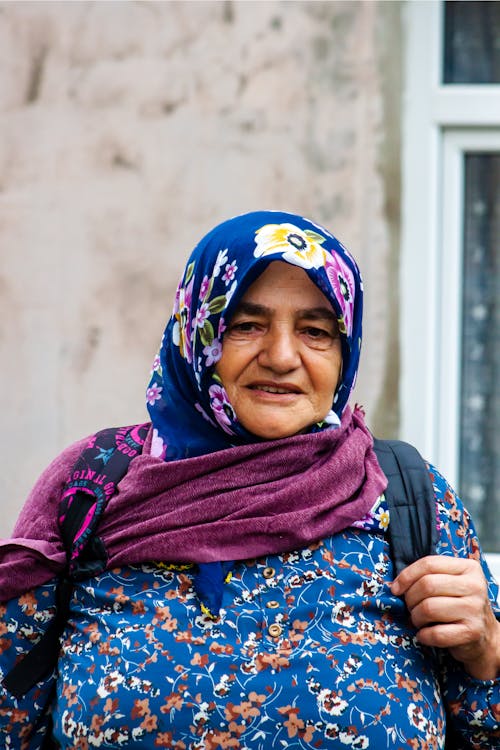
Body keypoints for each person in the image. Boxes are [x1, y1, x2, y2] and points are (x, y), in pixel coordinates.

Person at [0, 210, 499, 750]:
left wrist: (488, 651)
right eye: (246, 325)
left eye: (315, 331)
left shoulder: (403, 494)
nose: (283, 357)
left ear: (344, 350)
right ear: (196, 334)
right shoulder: (94, 484)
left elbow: (482, 728)